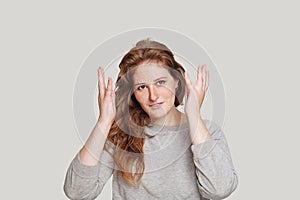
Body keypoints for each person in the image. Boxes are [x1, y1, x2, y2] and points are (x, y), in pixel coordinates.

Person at [63, 39, 238, 199]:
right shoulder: (121, 135)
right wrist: (104, 122)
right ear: (133, 93)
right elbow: (77, 192)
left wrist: (194, 115)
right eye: (141, 87)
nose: (153, 96)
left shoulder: (207, 132)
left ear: (177, 81)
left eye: (160, 82)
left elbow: (219, 190)